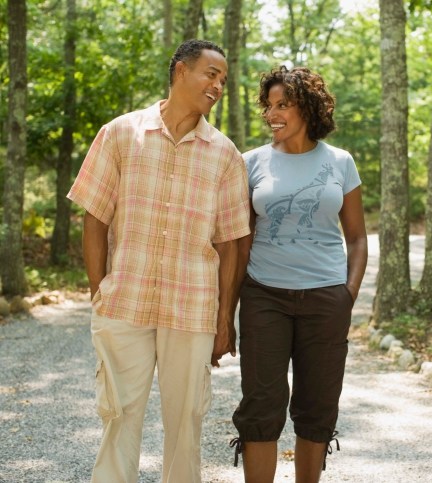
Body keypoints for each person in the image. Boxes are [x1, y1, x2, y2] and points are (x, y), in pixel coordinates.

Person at [67, 39, 250, 483]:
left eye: (223, 79)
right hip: (124, 301)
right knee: (119, 415)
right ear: (181, 71)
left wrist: (224, 319)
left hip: (191, 309)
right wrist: (100, 292)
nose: (218, 85)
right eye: (211, 73)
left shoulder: (225, 154)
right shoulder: (119, 133)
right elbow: (95, 217)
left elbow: (232, 244)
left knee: (186, 422)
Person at [230, 66, 368, 483]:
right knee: (261, 405)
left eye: (283, 105)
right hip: (264, 297)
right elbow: (240, 241)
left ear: (307, 107)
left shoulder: (340, 162)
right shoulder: (249, 162)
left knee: (317, 407)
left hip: (326, 299)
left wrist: (347, 294)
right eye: (268, 105)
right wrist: (228, 310)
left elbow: (358, 239)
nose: (272, 113)